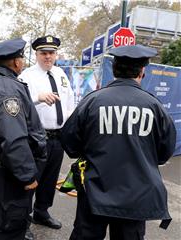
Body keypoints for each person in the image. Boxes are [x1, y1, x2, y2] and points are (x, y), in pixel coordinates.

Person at [60, 44, 176, 240]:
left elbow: (70, 142)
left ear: (113, 70)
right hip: (136, 195)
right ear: (142, 72)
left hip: (95, 191)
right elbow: (165, 151)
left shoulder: (92, 101)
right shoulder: (155, 106)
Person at [0, 38, 47, 240]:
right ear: (16, 62)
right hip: (9, 167)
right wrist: (27, 175)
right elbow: (13, 137)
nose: (23, 63)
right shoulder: (7, 88)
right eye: (21, 59)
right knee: (12, 219)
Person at [19, 35, 75, 230]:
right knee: (31, 180)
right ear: (37, 54)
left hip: (58, 137)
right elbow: (17, 104)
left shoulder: (60, 73)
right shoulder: (27, 76)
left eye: (51, 53)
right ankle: (23, 222)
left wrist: (69, 122)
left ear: (56, 54)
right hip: (36, 137)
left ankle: (42, 212)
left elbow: (70, 101)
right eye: (43, 53)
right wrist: (37, 97)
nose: (48, 57)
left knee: (50, 179)